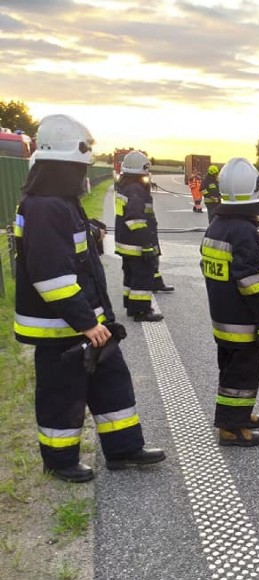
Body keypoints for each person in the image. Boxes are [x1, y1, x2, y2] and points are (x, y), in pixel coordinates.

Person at [14, 114, 166, 483]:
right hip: (62, 328)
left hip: (88, 322)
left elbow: (75, 261)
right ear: (62, 166)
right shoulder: (46, 207)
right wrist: (85, 323)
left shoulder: (60, 203)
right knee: (62, 396)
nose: (84, 176)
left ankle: (124, 449)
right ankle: (60, 461)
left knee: (112, 383)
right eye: (80, 168)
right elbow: (52, 278)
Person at [200, 157, 259, 447]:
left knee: (230, 369)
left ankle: (240, 414)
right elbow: (249, 281)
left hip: (222, 315)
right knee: (243, 374)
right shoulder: (244, 232)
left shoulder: (217, 225)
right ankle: (231, 428)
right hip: (243, 319)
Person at [114, 150, 165, 321]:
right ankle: (142, 311)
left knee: (131, 275)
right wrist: (146, 244)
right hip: (136, 244)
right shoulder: (135, 189)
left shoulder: (125, 186)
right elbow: (135, 218)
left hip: (126, 243)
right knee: (143, 276)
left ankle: (131, 305)